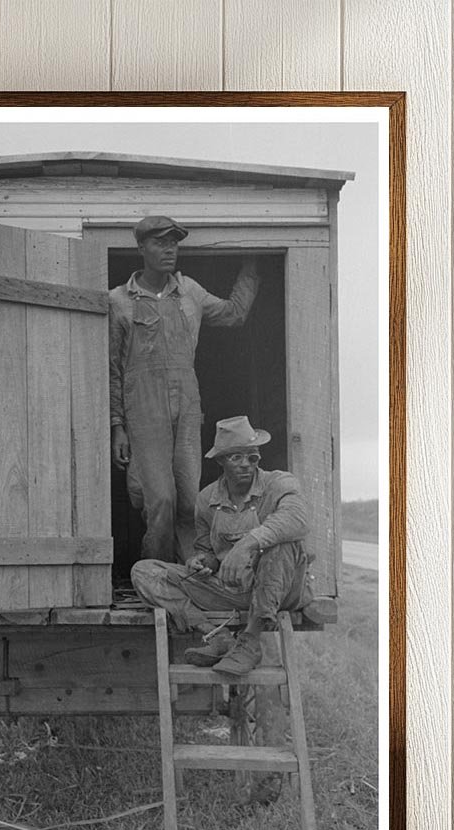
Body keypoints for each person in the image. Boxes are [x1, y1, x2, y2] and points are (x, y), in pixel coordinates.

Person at [109, 215, 259, 564]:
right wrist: (117, 426)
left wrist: (252, 265)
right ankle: (156, 575)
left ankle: (191, 576)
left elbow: (234, 314)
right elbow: (113, 370)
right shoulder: (119, 301)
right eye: (160, 242)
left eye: (173, 242)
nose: (169, 249)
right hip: (143, 410)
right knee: (160, 499)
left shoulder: (190, 291)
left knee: (191, 500)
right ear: (141, 248)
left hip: (188, 405)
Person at [130, 416, 312, 676]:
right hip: (233, 590)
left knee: (281, 545)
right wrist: (202, 562)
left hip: (280, 589)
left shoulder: (279, 483)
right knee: (145, 572)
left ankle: (250, 641)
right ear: (220, 461)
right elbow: (207, 550)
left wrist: (248, 544)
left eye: (252, 457)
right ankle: (216, 636)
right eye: (236, 458)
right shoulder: (206, 499)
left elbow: (299, 519)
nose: (246, 465)